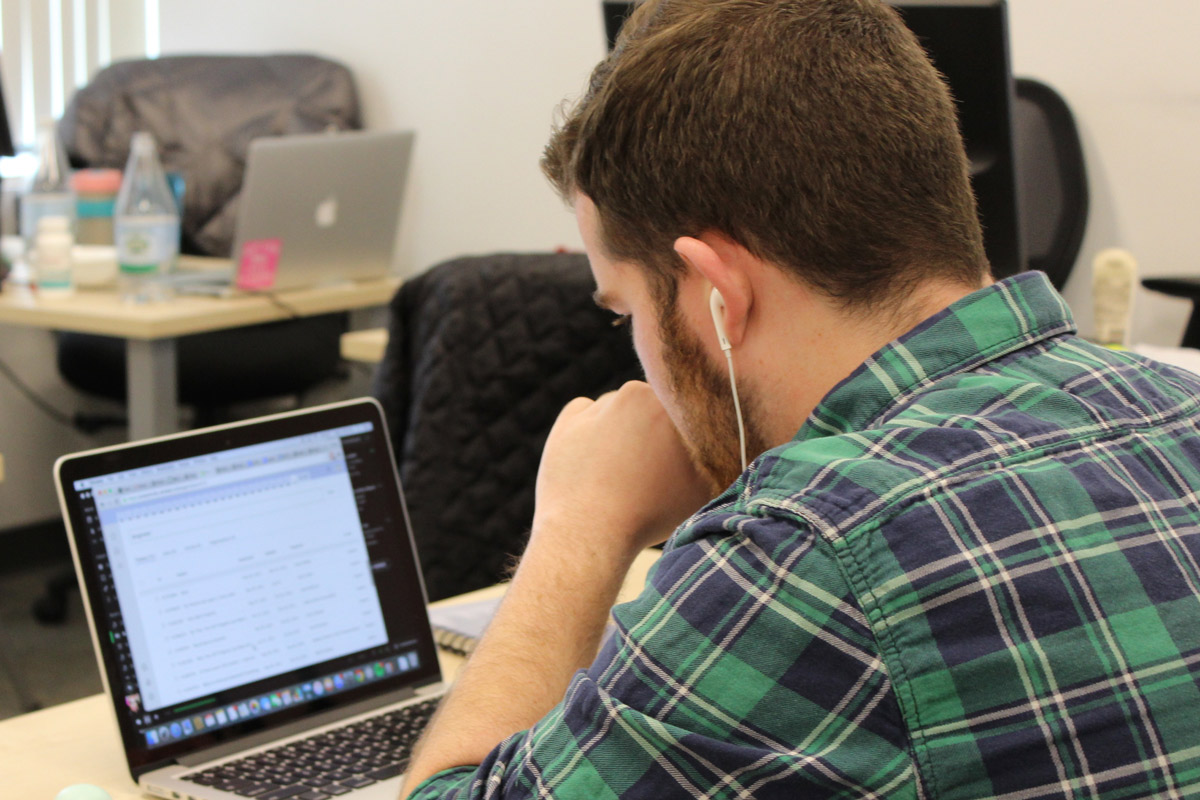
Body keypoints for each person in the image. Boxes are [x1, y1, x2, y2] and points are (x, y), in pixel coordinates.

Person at [403, 0, 1200, 797]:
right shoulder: (1181, 406)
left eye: (625, 310)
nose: (638, 354)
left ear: (719, 291)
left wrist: (579, 527)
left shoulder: (808, 552)